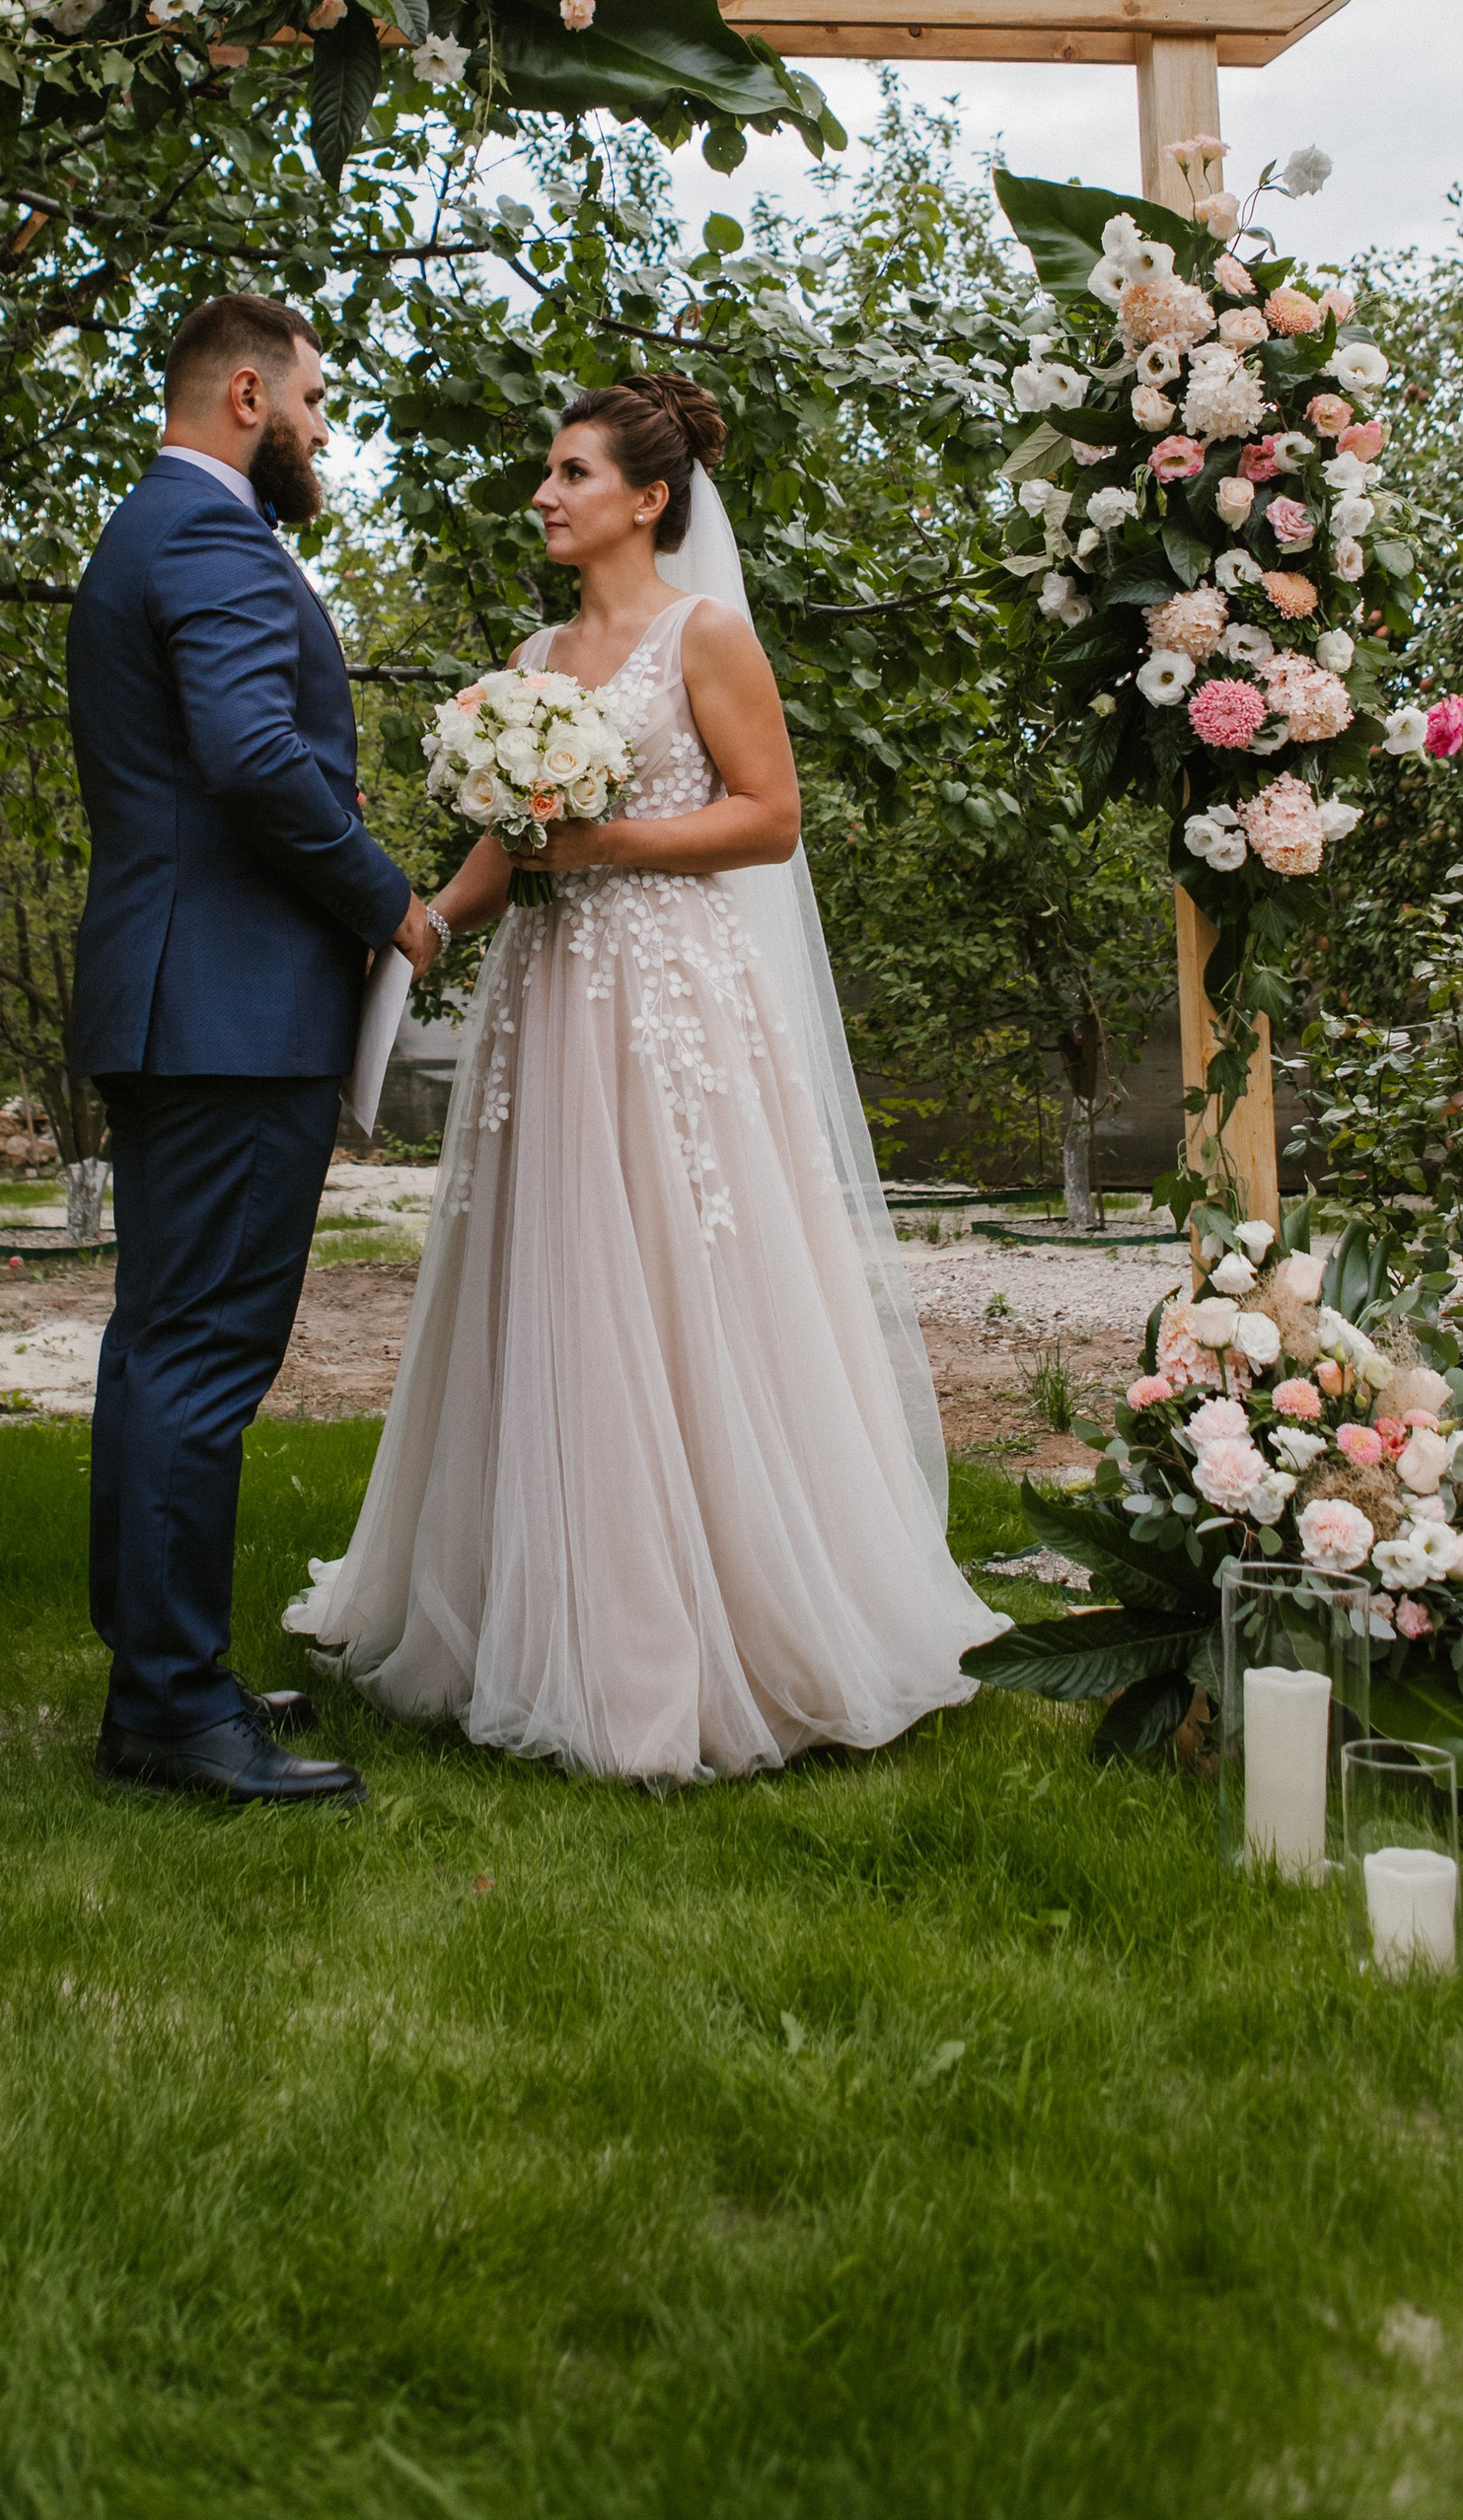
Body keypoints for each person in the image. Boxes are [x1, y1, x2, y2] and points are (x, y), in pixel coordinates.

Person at [289, 373, 995, 1781]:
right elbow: (512, 842)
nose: (546, 496)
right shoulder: (536, 655)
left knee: (682, 1276)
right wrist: (424, 926)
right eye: (548, 475)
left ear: (649, 499)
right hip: (547, 1000)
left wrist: (597, 845)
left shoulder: (705, 636)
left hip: (669, 999)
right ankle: (525, 1609)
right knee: (548, 1274)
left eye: (572, 474)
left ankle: (718, 1620)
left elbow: (770, 819)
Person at [67, 292, 442, 1806]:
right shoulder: (213, 536)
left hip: (182, 998)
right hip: (225, 1012)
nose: (321, 427)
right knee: (202, 1356)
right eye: (313, 398)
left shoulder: (150, 528)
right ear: (243, 394)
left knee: (164, 1348)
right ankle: (171, 1704)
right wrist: (389, 901)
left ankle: (162, 1676)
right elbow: (253, 756)